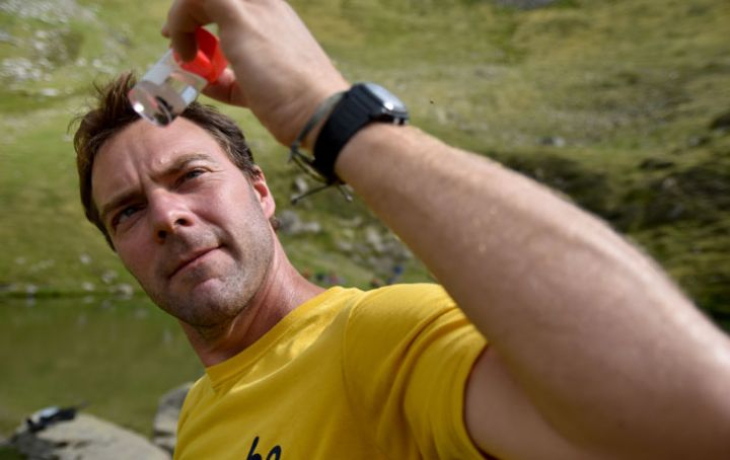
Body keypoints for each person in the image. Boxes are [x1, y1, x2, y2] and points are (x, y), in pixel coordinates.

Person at [72, 0, 730, 458]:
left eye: (189, 175)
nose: (166, 216)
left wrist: (331, 116)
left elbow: (697, 417)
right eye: (127, 211)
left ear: (260, 191)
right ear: (117, 249)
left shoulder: (380, 341)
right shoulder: (197, 417)